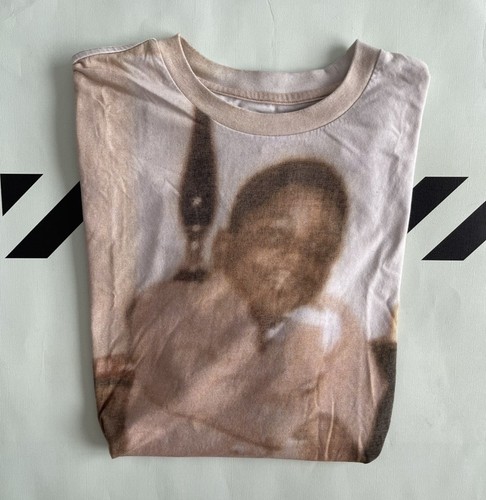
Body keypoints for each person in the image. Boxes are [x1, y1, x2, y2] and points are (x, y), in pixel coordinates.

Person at [95, 159, 390, 461]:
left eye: (319, 250)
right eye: (275, 236)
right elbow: (188, 395)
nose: (297, 259)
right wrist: (286, 422)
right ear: (224, 247)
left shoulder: (338, 325)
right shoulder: (169, 306)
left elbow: (344, 439)